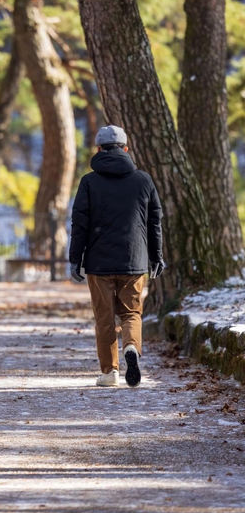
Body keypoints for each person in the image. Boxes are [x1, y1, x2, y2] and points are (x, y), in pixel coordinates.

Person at [69, 125, 165, 388]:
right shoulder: (143, 180)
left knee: (104, 318)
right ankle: (131, 348)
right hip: (135, 261)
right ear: (125, 149)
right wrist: (156, 257)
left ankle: (109, 372)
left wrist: (75, 259)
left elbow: (79, 224)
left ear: (98, 150)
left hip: (98, 263)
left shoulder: (89, 182)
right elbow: (154, 222)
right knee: (131, 313)